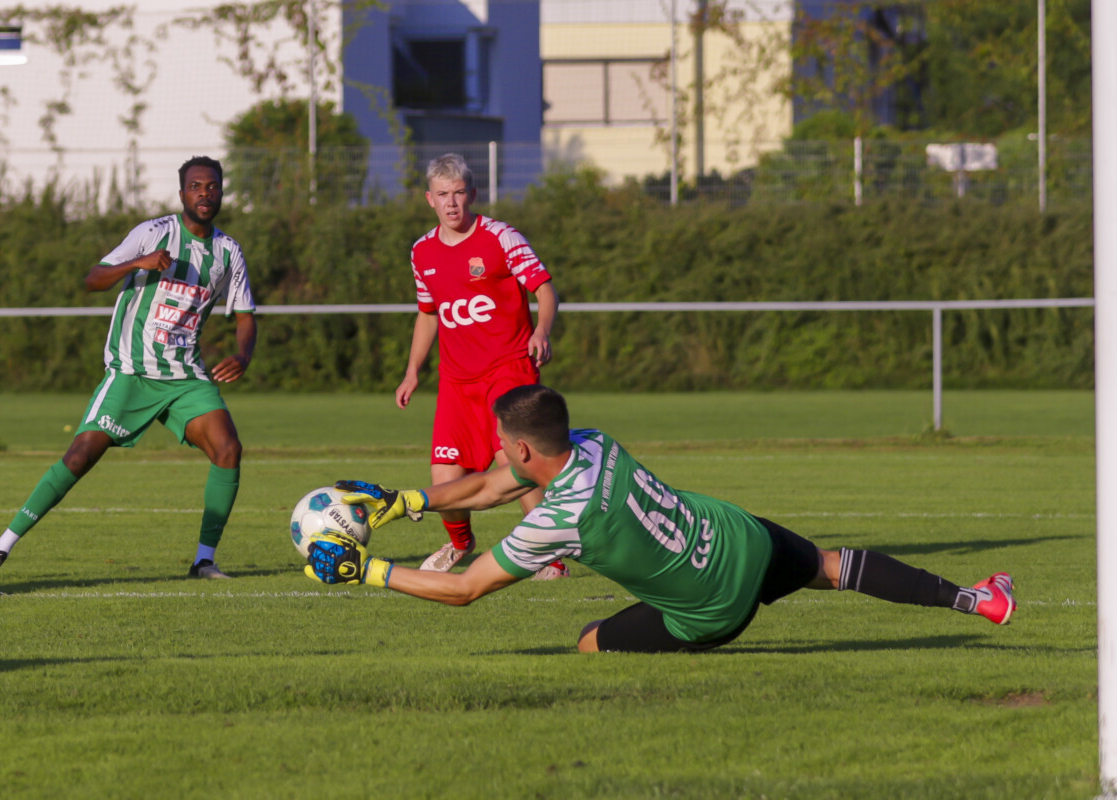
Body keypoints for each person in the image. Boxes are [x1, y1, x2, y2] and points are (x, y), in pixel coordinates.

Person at [304, 385, 1016, 654]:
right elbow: (494, 485)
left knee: (587, 644)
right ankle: (979, 600)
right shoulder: (592, 443)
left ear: (524, 447)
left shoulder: (558, 519)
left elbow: (464, 590)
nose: (497, 452)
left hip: (711, 609)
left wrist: (364, 569)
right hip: (739, 535)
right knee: (834, 567)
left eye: (501, 440)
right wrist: (408, 502)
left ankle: (666, 630)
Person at [0, 156, 257, 582]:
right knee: (80, 456)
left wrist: (243, 355)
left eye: (212, 187)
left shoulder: (228, 252)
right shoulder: (154, 233)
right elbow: (93, 279)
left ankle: (204, 561)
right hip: (131, 373)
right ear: (182, 194)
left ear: (221, 192)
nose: (204, 194)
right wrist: (135, 264)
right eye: (195, 186)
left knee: (228, 450)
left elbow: (246, 316)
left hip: (184, 377)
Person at [396, 153, 567, 579]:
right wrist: (413, 369)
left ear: (472, 194)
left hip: (508, 369)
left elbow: (545, 290)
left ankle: (550, 558)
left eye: (458, 193)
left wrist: (541, 332)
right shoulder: (422, 251)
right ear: (428, 200)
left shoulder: (500, 237)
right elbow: (429, 312)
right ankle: (460, 543)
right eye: (442, 195)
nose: (451, 203)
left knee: (515, 465)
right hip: (457, 381)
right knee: (444, 474)